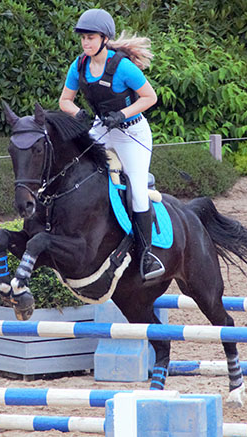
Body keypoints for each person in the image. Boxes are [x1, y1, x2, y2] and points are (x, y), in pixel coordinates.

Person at [58, 8, 165, 281]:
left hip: (132, 133)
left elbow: (150, 97)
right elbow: (65, 101)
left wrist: (121, 115)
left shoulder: (123, 67)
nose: (85, 43)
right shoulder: (79, 66)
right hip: (101, 129)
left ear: (104, 39)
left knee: (138, 192)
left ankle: (147, 256)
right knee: (78, 173)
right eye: (83, 38)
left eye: (91, 38)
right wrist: (79, 114)